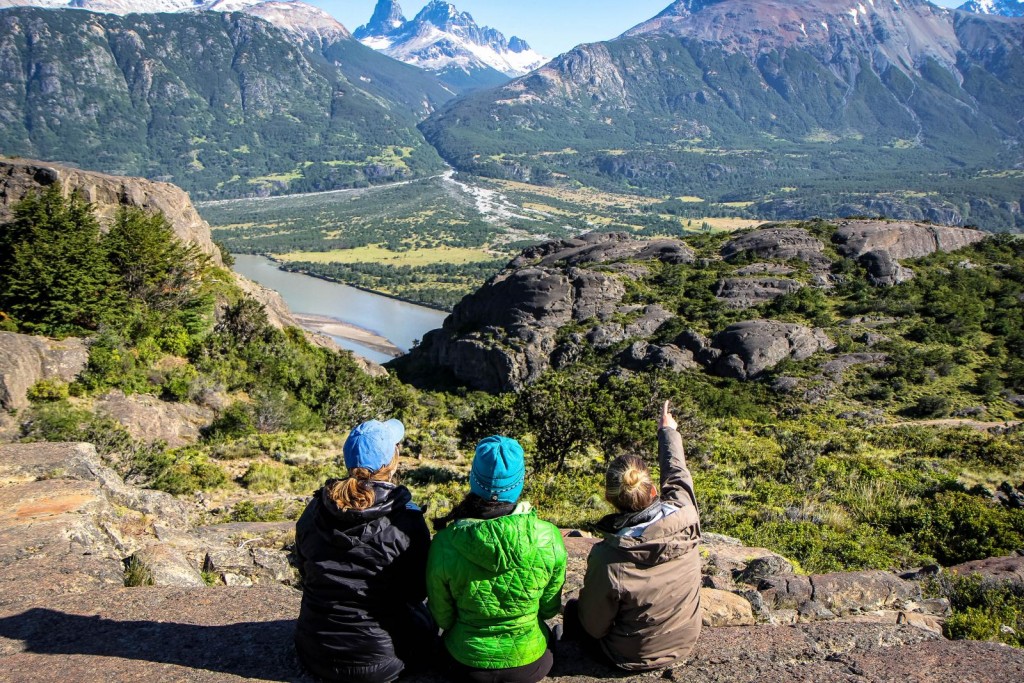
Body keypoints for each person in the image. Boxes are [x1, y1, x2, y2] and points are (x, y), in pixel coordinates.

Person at [293, 418, 433, 683]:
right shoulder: (404, 521)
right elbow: (418, 590)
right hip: (382, 663)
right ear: (391, 461)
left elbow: (304, 567)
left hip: (314, 651)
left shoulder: (314, 511)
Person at [566, 400, 702, 671]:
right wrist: (668, 432)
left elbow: (594, 628)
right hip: (686, 641)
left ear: (610, 499)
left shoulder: (610, 558)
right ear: (653, 491)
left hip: (628, 656)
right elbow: (677, 474)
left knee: (572, 611)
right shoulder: (686, 516)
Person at [426, 435, 567, 683]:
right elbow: (548, 609)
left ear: (474, 480)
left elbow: (443, 618)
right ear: (519, 482)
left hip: (465, 662)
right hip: (530, 662)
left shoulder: (445, 542)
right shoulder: (549, 537)